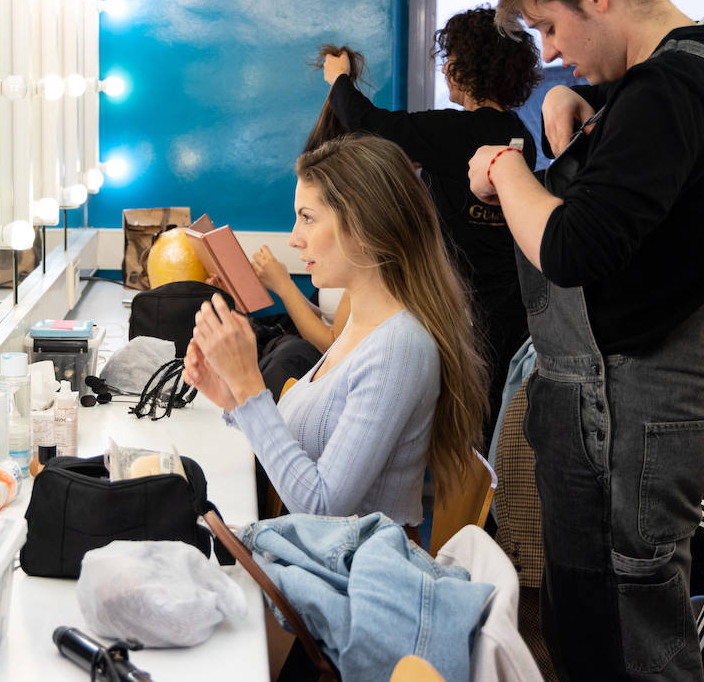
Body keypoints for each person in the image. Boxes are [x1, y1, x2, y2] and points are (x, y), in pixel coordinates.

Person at [467, 0, 704, 681]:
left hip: (632, 424)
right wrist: (594, 109)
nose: (552, 54)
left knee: (624, 650)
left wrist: (505, 170)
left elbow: (570, 246)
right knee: (606, 632)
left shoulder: (669, 89)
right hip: (654, 415)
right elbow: (666, 178)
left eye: (550, 28)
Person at [183, 134, 487, 530]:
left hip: (352, 582)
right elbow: (302, 449)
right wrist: (234, 398)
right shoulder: (360, 326)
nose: (294, 237)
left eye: (307, 217)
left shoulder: (400, 346)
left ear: (364, 224)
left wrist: (249, 390)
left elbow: (323, 505)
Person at [321, 10, 540, 432]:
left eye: (450, 57)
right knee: (490, 427)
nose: (444, 68)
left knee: (466, 433)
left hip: (470, 316)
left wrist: (338, 79)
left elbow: (372, 125)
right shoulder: (518, 136)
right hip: (510, 310)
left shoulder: (459, 131)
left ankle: (471, 498)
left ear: (469, 65)